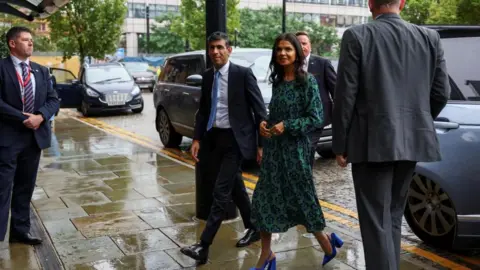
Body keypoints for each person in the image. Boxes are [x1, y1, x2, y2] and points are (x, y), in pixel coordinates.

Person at [331, 0, 450, 268]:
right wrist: (415, 123)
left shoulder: (357, 35)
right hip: (411, 141)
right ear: (403, 3)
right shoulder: (429, 37)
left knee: (376, 223)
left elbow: (345, 95)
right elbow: (441, 92)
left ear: (371, 3)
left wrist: (340, 143)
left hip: (371, 143)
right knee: (392, 216)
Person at [250, 33, 343, 270]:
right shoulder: (278, 81)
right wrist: (266, 123)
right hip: (274, 152)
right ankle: (266, 255)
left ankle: (327, 243)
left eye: (288, 49)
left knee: (303, 200)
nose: (282, 53)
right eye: (279, 49)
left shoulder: (308, 81)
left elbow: (315, 117)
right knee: (263, 200)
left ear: (297, 53)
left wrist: (288, 126)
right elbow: (276, 115)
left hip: (296, 152)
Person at [180, 31, 267, 264]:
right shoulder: (208, 77)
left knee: (220, 192)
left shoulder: (243, 75)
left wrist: (261, 145)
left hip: (236, 141)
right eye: (212, 48)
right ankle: (254, 227)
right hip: (214, 139)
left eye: (220, 47)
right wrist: (197, 139)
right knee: (235, 186)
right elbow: (204, 110)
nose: (216, 52)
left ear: (229, 49)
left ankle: (203, 245)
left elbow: (260, 111)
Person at [0, 26, 60, 244]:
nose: (31, 43)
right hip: (7, 138)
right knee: (3, 189)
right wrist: (21, 117)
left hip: (33, 138)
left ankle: (20, 231)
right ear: (12, 44)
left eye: (32, 40)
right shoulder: (1, 68)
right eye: (26, 40)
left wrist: (40, 117)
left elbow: (54, 100)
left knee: (25, 187)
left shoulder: (41, 71)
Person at [295, 31, 337, 165]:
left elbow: (335, 89)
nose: (302, 46)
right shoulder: (288, 65)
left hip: (317, 117)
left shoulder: (322, 63)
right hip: (295, 118)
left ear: (310, 46)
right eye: (298, 44)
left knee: (307, 150)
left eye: (304, 43)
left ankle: (305, 180)